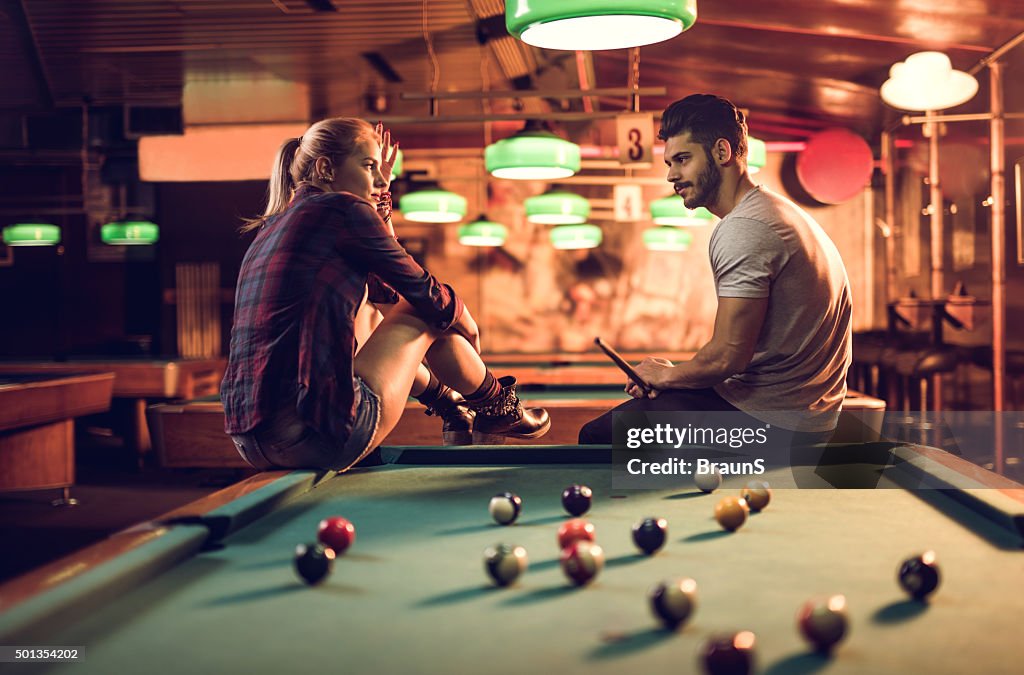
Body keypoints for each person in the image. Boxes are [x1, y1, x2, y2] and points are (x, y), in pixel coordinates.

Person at [221, 117, 550, 471]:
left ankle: (453, 407)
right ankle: (498, 406)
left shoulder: (273, 226)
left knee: (370, 313)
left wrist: (379, 197)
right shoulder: (342, 209)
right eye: (368, 166)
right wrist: (464, 320)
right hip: (313, 438)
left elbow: (384, 292)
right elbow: (420, 291)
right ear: (326, 168)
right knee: (425, 311)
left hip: (251, 440)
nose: (380, 179)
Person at [579, 94, 852, 444]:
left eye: (682, 159)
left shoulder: (745, 227)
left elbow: (726, 357)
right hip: (807, 417)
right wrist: (672, 376)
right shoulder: (778, 211)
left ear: (722, 152)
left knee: (597, 437)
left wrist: (666, 377)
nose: (671, 176)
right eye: (669, 163)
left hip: (769, 424)